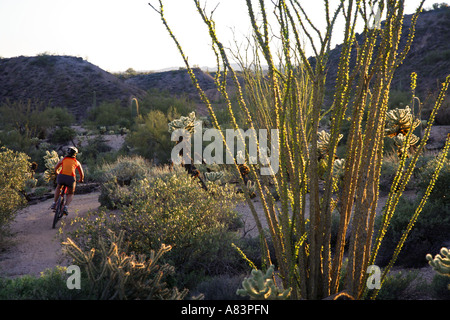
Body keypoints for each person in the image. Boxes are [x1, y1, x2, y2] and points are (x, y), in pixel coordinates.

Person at [50, 146, 84, 215]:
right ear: (75, 154)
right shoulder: (77, 162)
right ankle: (65, 207)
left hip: (61, 176)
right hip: (71, 178)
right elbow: (82, 173)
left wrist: (57, 173)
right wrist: (81, 179)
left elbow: (55, 168)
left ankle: (54, 203)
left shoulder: (63, 159)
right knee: (71, 193)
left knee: (58, 187)